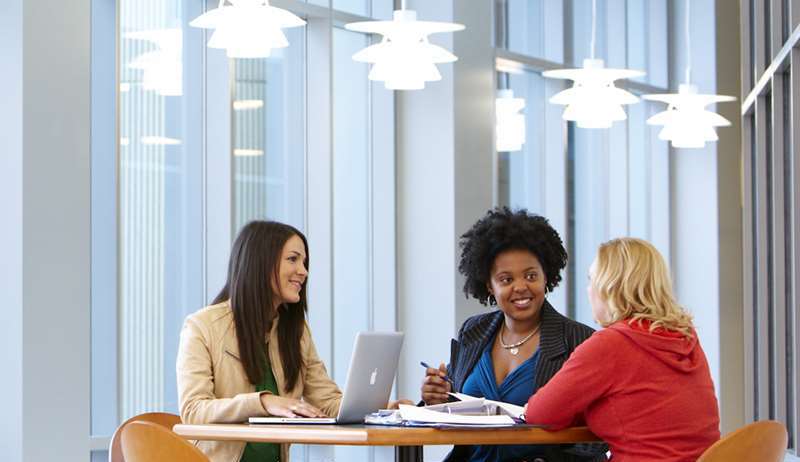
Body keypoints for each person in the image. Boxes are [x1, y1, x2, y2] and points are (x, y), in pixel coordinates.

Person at [421, 207, 606, 462]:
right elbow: (452, 401)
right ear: (490, 285)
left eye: (531, 276)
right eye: (506, 280)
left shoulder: (579, 341)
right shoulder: (473, 331)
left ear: (546, 276)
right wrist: (436, 396)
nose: (520, 287)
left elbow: (598, 437)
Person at [524, 238, 720, 461]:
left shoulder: (610, 344)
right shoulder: (686, 337)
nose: (588, 290)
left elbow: (541, 414)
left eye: (591, 279)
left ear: (609, 288)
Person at [177, 221, 341, 462]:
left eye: (304, 262)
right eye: (293, 259)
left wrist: (385, 410)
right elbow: (193, 410)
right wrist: (263, 402)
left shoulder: (296, 331)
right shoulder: (202, 326)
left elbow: (327, 402)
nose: (303, 271)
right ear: (261, 262)